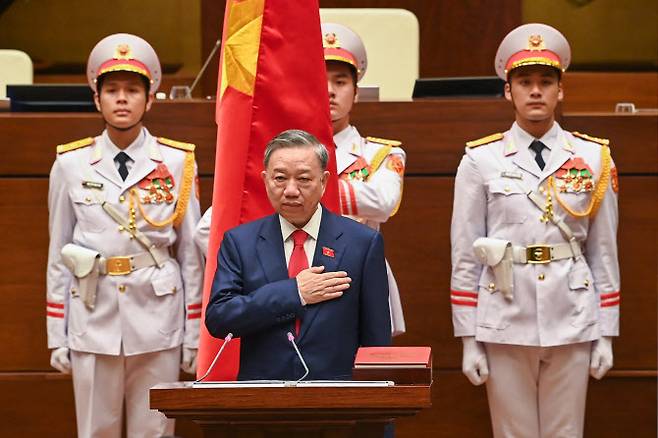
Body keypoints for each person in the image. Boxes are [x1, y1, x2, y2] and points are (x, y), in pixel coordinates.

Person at [450, 23, 619, 437]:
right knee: (513, 433)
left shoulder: (593, 157)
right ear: (508, 91)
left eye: (546, 81)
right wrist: (468, 337)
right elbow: (466, 252)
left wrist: (607, 332)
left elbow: (604, 249)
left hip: (573, 312)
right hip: (506, 311)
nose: (536, 91)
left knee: (566, 432)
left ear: (561, 90)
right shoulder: (480, 160)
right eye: (525, 82)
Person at [46, 33, 204, 437]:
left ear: (150, 99)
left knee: (155, 431)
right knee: (96, 429)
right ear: (96, 99)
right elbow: (58, 251)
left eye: (132, 90)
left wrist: (193, 333)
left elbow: (190, 255)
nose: (121, 98)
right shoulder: (71, 164)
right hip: (92, 314)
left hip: (158, 317)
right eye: (111, 90)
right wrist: (56, 333)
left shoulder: (176, 161)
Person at [205, 129, 391, 380]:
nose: (291, 190)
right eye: (280, 178)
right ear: (265, 179)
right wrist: (295, 293)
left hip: (338, 401)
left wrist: (378, 412)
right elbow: (220, 319)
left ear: (324, 181)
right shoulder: (240, 242)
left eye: (303, 179)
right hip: (262, 401)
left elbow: (376, 343)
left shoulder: (362, 243)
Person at [322, 22, 407, 336]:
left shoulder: (381, 154)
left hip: (359, 274)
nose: (330, 90)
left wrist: (302, 186)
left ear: (356, 92)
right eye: (321, 80)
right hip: (298, 274)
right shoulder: (282, 153)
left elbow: (383, 202)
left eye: (341, 81)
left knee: (367, 378)